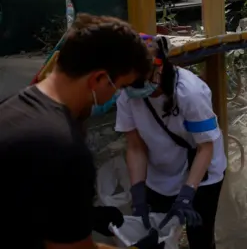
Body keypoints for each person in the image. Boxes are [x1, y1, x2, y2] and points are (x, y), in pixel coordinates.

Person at [0, 14, 162, 249]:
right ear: (98, 79)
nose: (119, 95)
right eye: (121, 87)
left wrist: (83, 216)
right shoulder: (63, 148)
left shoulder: (12, 106)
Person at [116, 34, 227, 249]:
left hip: (202, 173)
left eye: (139, 82)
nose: (133, 90)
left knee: (200, 238)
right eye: (128, 84)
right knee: (155, 236)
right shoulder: (126, 95)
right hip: (160, 174)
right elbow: (136, 147)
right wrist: (138, 192)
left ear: (159, 68)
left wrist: (187, 194)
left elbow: (205, 147)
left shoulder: (190, 93)